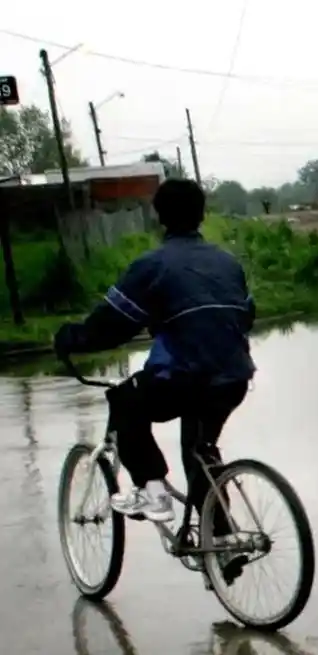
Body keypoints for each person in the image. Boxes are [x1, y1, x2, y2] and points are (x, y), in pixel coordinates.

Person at [53, 178, 256, 527]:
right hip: (234, 377)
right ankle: (221, 537)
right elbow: (246, 315)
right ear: (202, 214)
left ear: (159, 216)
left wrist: (71, 339)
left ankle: (152, 490)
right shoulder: (227, 263)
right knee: (199, 450)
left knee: (125, 403)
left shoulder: (151, 265)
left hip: (184, 378)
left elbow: (112, 325)